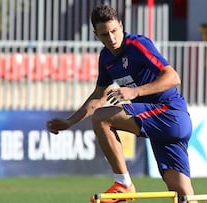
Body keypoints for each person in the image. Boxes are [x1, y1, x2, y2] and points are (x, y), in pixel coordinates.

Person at [47, 4, 197, 203]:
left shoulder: (137, 44)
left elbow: (173, 77)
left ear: (121, 25)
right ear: (96, 34)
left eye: (114, 31)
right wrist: (69, 122)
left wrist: (134, 91)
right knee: (182, 194)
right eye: (104, 34)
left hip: (169, 113)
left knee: (102, 118)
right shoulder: (106, 58)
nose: (111, 38)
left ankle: (123, 183)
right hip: (161, 126)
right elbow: (98, 96)